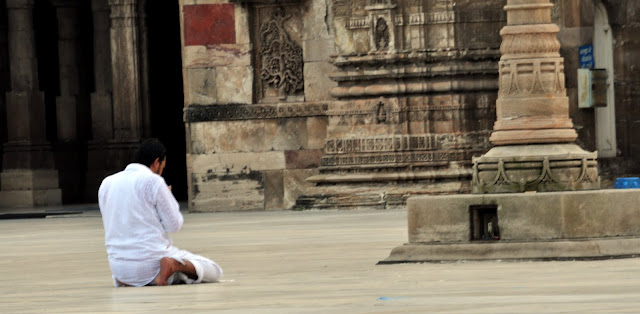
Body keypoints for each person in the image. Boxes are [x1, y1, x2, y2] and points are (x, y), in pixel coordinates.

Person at [98, 138, 223, 287]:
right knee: (214, 270)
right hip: (151, 264)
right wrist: (167, 197)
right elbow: (174, 225)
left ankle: (134, 278)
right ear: (157, 162)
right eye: (162, 167)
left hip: (120, 270)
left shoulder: (107, 183)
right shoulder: (153, 182)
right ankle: (173, 266)